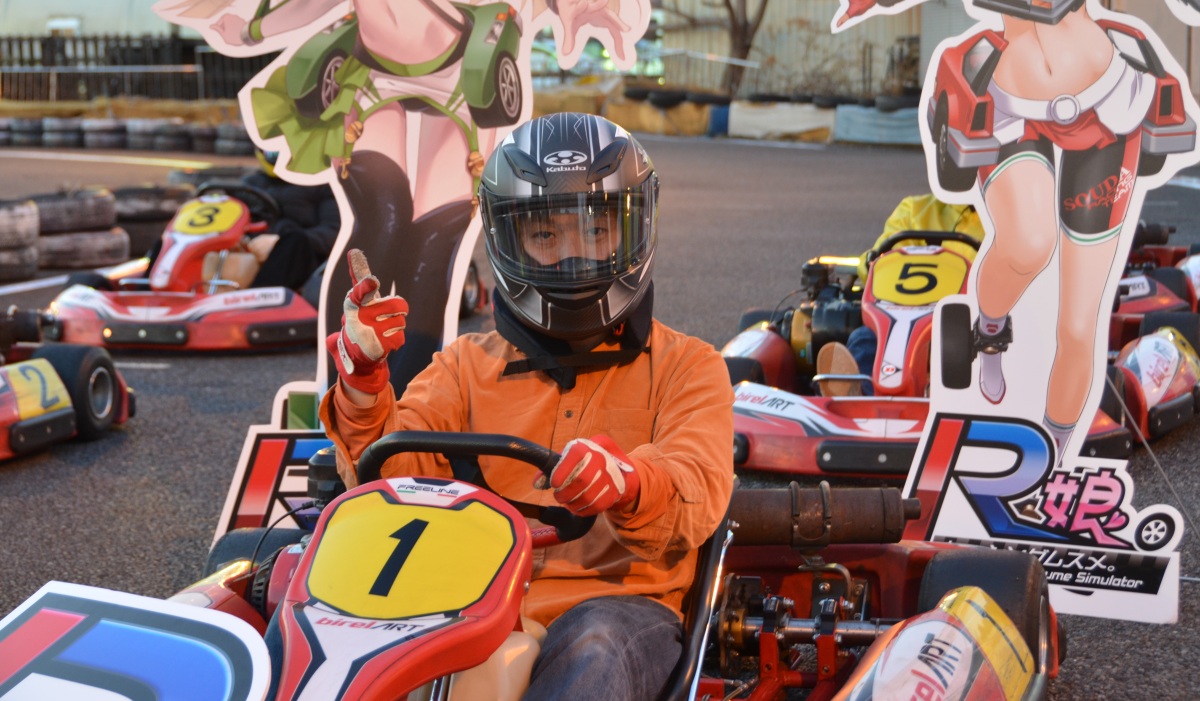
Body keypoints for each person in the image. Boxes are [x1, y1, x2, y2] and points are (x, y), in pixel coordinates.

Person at [313, 114, 735, 700]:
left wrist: (629, 482)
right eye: (544, 236)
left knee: (594, 647)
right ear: (506, 240)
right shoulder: (465, 366)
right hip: (465, 597)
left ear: (634, 229)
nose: (571, 256)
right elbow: (393, 477)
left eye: (595, 231)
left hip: (615, 605)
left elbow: (697, 487)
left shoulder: (687, 366)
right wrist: (363, 384)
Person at [818, 193, 983, 395]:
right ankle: (859, 399)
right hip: (906, 321)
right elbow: (881, 264)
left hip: (974, 327)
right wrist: (873, 261)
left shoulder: (1013, 218)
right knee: (865, 339)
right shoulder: (915, 211)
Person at [144, 149, 340, 291]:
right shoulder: (249, 184)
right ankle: (148, 292)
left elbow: (334, 232)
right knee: (172, 242)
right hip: (247, 247)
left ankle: (257, 300)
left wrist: (277, 241)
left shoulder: (322, 185)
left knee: (295, 241)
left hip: (295, 259)